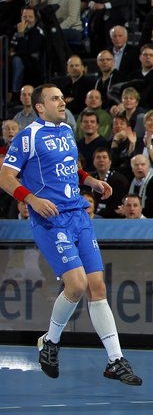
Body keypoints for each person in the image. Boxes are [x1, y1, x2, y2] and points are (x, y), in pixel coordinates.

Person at [0, 84, 142, 386]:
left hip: (78, 215)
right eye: (55, 99)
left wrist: (91, 181)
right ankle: (50, 342)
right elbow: (5, 177)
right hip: (51, 219)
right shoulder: (28, 136)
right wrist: (32, 199)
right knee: (76, 285)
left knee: (97, 287)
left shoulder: (66, 130)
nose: (62, 102)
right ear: (40, 107)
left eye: (62, 98)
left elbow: (67, 168)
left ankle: (115, 360)